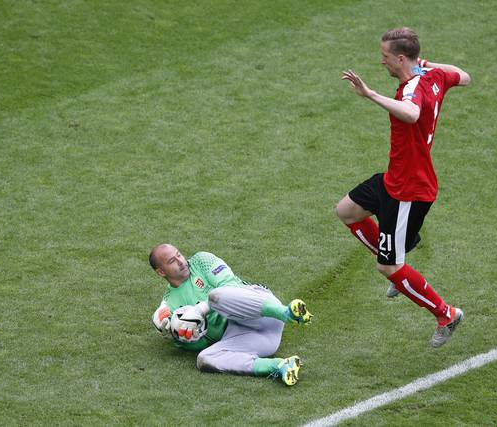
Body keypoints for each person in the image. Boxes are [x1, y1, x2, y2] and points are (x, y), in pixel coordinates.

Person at [336, 27, 471, 347]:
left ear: (400, 58)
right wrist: (425, 65)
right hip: (393, 177)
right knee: (347, 211)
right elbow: (464, 76)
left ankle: (446, 314)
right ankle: (400, 265)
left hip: (409, 190)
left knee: (387, 266)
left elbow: (411, 114)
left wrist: (370, 95)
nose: (381, 62)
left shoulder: (411, 89)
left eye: (385, 57)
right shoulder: (434, 73)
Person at [148, 243, 313, 385]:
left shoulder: (201, 261)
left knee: (215, 297)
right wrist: (177, 333)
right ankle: (279, 366)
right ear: (161, 272)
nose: (181, 261)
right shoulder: (171, 304)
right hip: (255, 339)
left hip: (263, 312)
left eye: (179, 255)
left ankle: (288, 313)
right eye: (172, 261)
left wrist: (201, 310)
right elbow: (199, 343)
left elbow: (231, 287)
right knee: (204, 359)